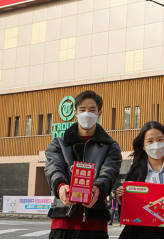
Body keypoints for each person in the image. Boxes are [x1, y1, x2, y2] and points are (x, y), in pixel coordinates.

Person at [45, 90, 122, 239]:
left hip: (95, 221)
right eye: (82, 110)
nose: (87, 113)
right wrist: (60, 186)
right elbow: (54, 168)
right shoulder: (59, 143)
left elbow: (109, 172)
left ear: (99, 113)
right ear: (75, 112)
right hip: (63, 220)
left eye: (92, 110)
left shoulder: (110, 146)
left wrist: (98, 189)